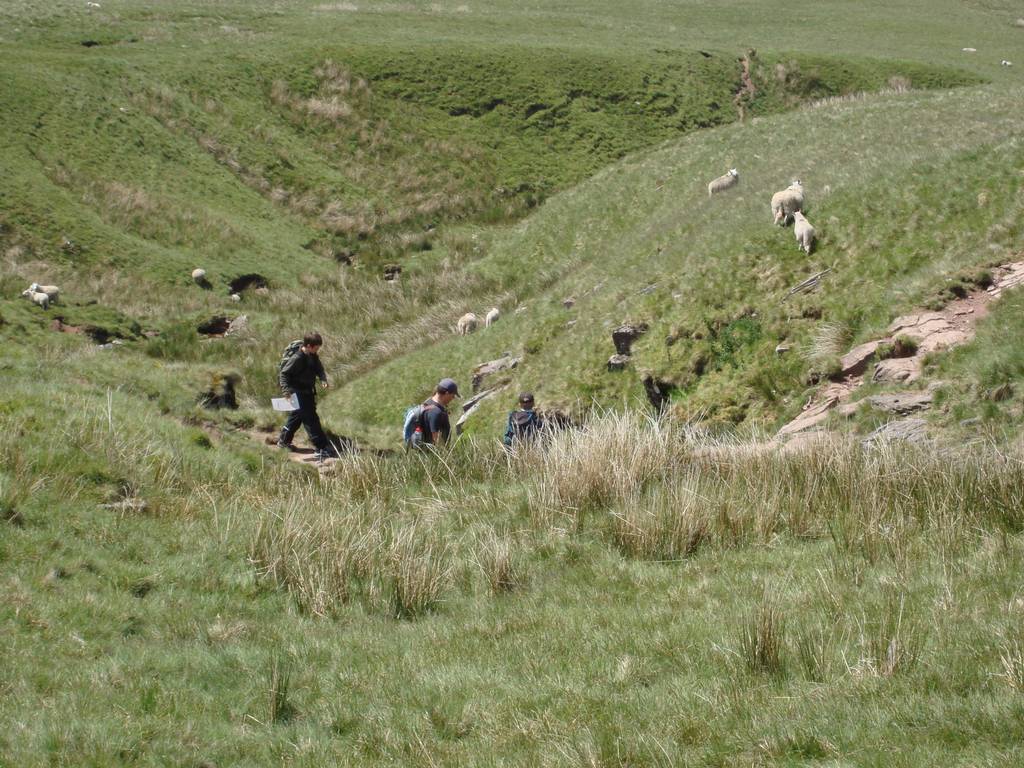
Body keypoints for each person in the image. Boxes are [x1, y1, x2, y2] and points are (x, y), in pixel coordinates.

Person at [277, 332, 335, 460]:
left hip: (308, 391)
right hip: (297, 392)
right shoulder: (297, 358)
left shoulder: (313, 355)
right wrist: (286, 391)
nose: (318, 350)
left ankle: (283, 441)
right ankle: (321, 448)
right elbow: (284, 374)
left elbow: (319, 369)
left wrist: (323, 379)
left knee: (296, 417)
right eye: (316, 347)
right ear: (309, 346)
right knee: (311, 419)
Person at [414, 378, 460, 448]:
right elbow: (436, 437)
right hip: (432, 454)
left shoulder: (428, 402)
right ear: (447, 394)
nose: (453, 398)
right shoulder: (435, 412)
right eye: (453, 396)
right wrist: (445, 455)